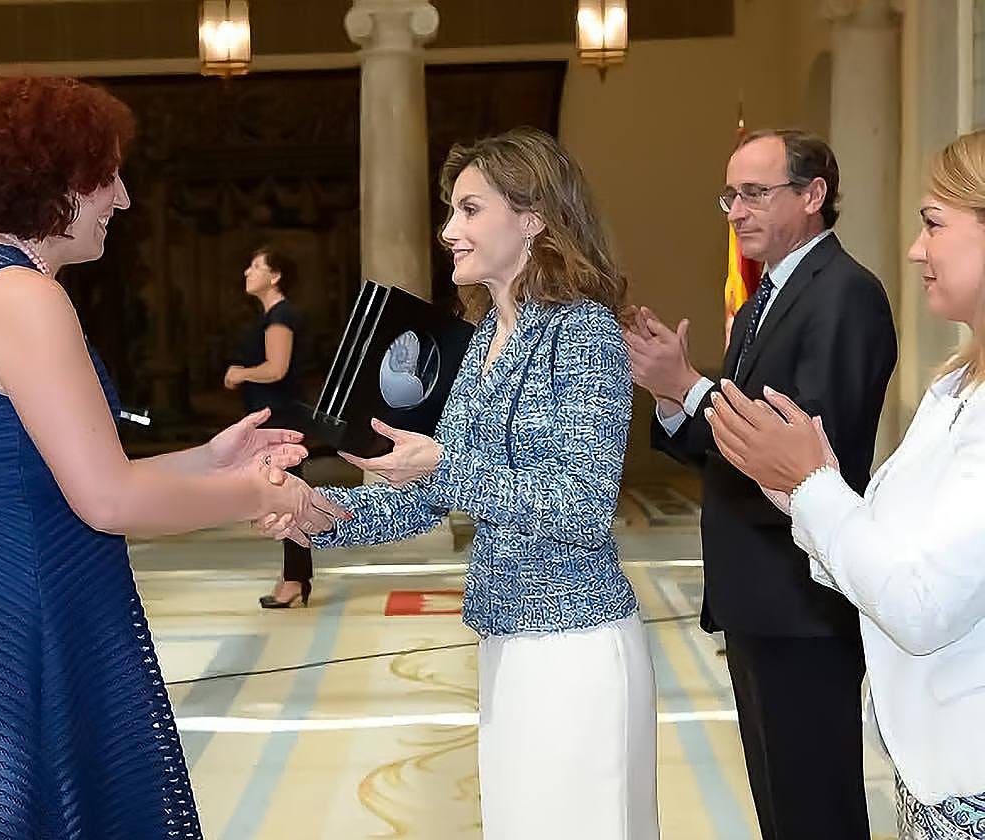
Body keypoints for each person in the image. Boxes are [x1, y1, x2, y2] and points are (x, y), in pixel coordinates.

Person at [0, 75, 346, 839]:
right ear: (51, 179)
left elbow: (47, 479)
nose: (123, 198)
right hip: (32, 622)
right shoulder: (25, 298)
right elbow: (107, 500)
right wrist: (259, 493)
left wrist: (210, 458)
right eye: (106, 176)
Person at [265, 127, 658, 839]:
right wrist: (321, 513)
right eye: (452, 210)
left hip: (575, 645)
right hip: (505, 636)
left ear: (533, 218)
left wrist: (442, 464)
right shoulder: (481, 342)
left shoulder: (584, 334)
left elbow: (580, 505)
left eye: (470, 210)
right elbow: (431, 496)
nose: (449, 230)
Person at [706, 129, 985, 840]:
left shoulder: (846, 295)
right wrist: (798, 484)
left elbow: (922, 604)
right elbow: (881, 532)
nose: (916, 249)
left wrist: (807, 484)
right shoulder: (954, 384)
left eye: (934, 224)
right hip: (934, 766)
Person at [623, 129, 897, 840]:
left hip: (802, 598)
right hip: (757, 596)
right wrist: (673, 397)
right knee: (782, 812)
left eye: (754, 193)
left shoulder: (846, 294)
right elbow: (729, 451)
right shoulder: (761, 300)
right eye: (730, 196)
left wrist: (693, 385)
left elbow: (802, 446)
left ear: (813, 195)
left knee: (816, 811)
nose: (736, 212)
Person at [224, 246, 314, 609]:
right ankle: (294, 576)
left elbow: (277, 368)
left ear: (275, 276)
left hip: (281, 421)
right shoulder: (272, 315)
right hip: (274, 418)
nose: (248, 271)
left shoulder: (281, 316)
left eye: (256, 266)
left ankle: (294, 578)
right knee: (281, 497)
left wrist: (240, 373)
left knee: (286, 497)